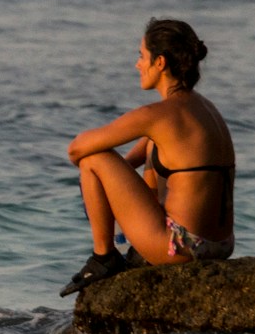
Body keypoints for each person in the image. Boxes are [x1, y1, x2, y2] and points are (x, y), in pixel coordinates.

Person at [60, 18, 236, 296]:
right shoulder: (205, 109)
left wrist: (95, 175)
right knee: (144, 159)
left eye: (142, 56)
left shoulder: (157, 116)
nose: (137, 64)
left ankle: (103, 258)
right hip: (222, 244)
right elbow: (127, 169)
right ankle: (134, 253)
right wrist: (111, 187)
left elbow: (76, 150)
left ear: (160, 63)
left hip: (183, 247)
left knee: (94, 160)